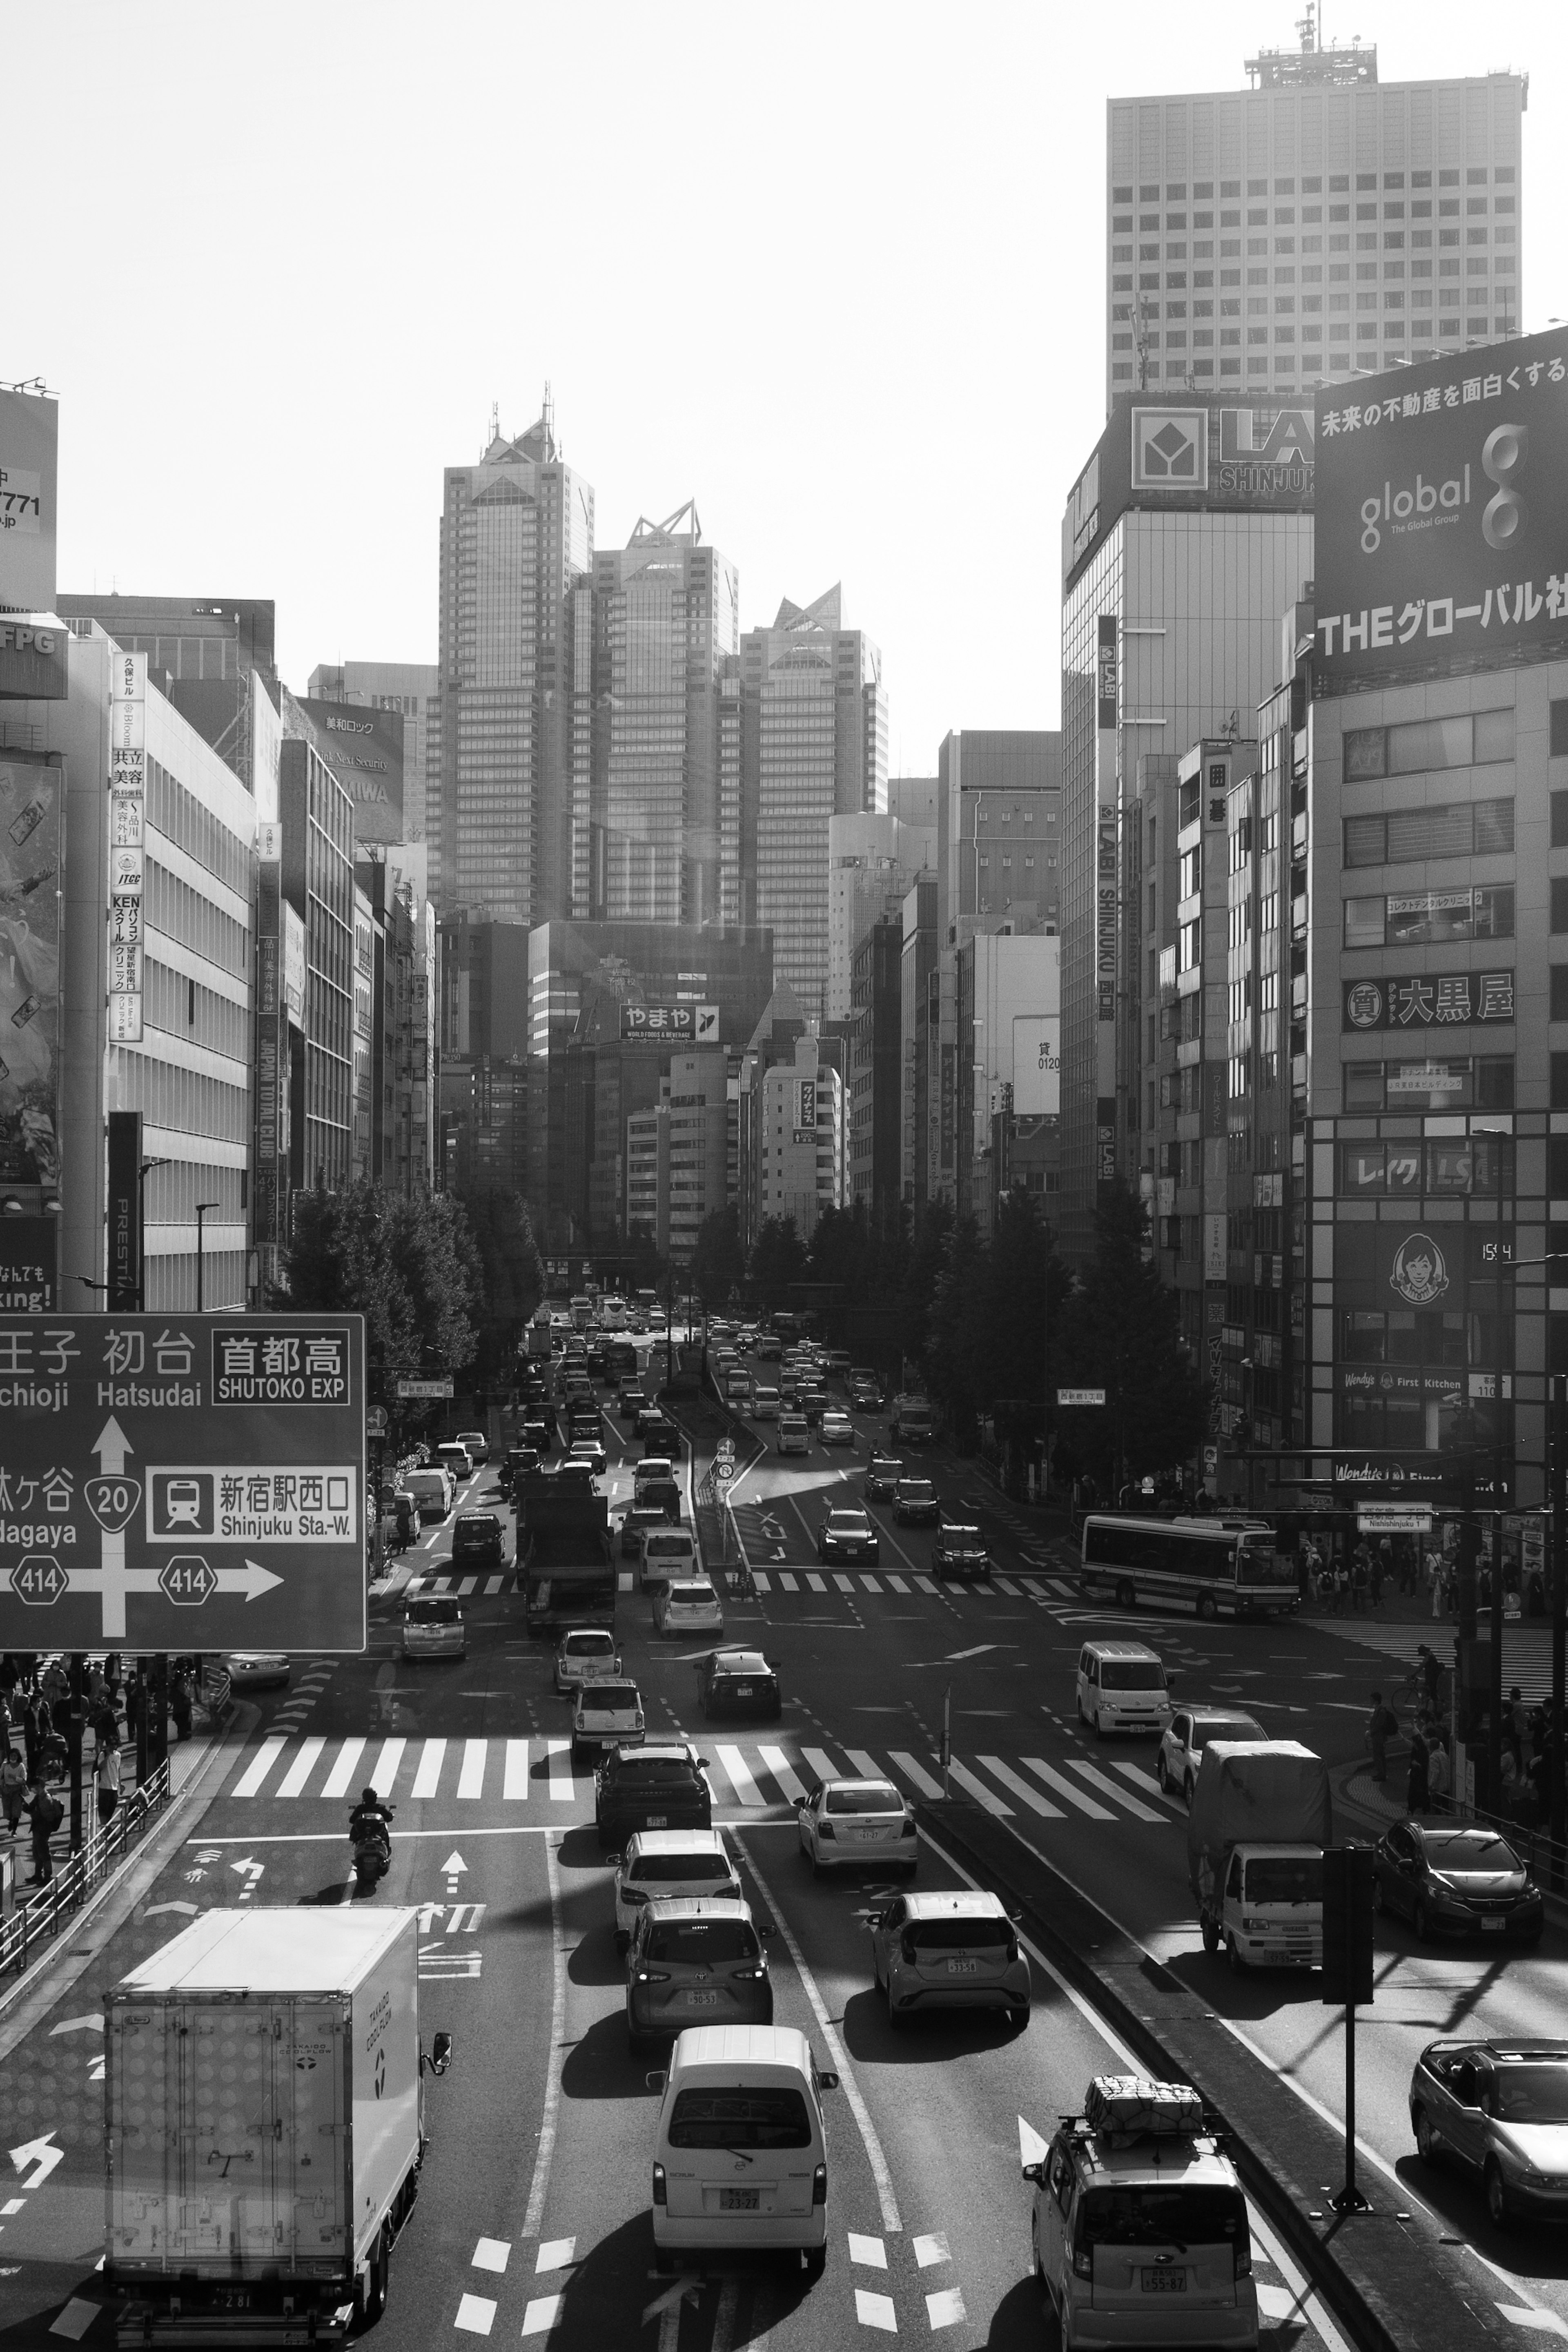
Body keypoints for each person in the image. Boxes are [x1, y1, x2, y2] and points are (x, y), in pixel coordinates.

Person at [22, 1776, 58, 1886]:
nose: (32, 1789)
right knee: (37, 1853)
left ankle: (48, 1876)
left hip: (43, 1830)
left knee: (44, 1853)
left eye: (34, 1787)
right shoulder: (39, 1797)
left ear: (39, 1787)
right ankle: (38, 1875)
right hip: (37, 1829)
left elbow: (48, 1817)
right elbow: (31, 1809)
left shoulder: (46, 1800)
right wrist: (23, 1804)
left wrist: (35, 1814)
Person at [349, 1786, 394, 1854]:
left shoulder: (360, 1808)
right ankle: (387, 1848)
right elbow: (389, 1818)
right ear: (375, 1797)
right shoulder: (380, 1808)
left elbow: (352, 1820)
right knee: (385, 1834)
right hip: (375, 1837)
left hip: (363, 1837)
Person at [1368, 1689, 1398, 1784]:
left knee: (1378, 1756)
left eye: (1372, 1700)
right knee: (1380, 1755)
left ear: (1376, 1701)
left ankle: (1381, 1774)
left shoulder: (1381, 1711)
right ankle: (1381, 1773)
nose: (1371, 1702)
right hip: (1379, 1736)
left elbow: (1379, 1725)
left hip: (1379, 1737)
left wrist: (1371, 1732)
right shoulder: (1380, 1710)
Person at [0, 1744, 25, 1838]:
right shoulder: (5, 1765)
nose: (13, 1758)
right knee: (7, 1813)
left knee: (16, 1812)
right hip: (6, 1791)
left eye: (15, 1756)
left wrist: (15, 1778)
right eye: (12, 1756)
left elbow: (24, 1780)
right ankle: (10, 1821)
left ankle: (14, 1830)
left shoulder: (21, 1767)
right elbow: (1, 1776)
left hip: (17, 1791)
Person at [95, 1737, 120, 1827]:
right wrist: (108, 1756)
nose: (114, 1746)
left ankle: (108, 1828)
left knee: (111, 1810)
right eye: (112, 1744)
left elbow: (118, 1770)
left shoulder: (118, 1755)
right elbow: (100, 1767)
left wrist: (120, 1784)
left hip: (114, 1787)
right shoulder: (103, 1755)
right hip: (104, 1787)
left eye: (115, 1744)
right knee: (103, 1811)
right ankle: (104, 1829)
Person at [1406, 1726, 1430, 1815]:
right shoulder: (1416, 1750)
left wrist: (1418, 1765)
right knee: (1413, 1794)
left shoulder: (1423, 1752)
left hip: (1421, 1777)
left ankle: (1423, 1809)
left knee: (1420, 1793)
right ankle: (1412, 1809)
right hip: (1415, 1775)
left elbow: (1425, 1765)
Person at [1427, 1733, 1452, 1815]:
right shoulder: (1444, 1755)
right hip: (1447, 1785)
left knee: (1437, 1807)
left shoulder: (1433, 1757)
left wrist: (1431, 1784)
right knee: (1446, 1806)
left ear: (1431, 1746)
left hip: (1438, 1787)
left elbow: (1435, 1772)